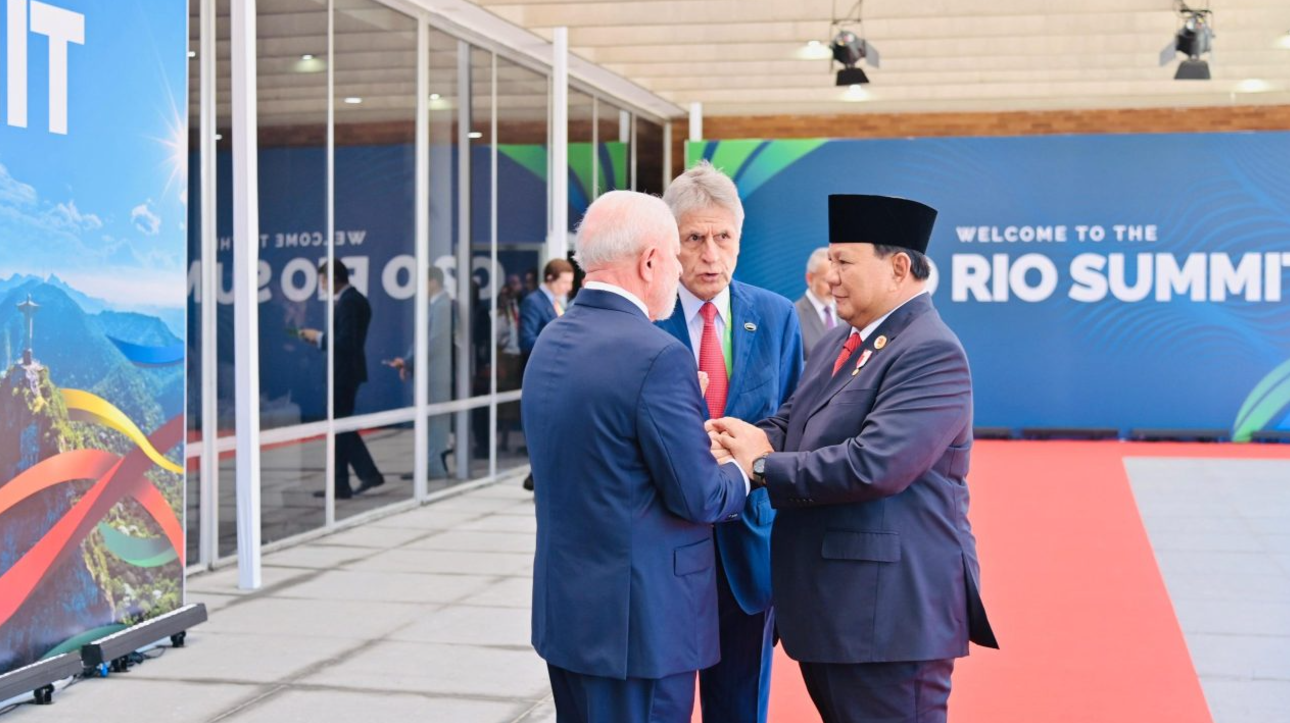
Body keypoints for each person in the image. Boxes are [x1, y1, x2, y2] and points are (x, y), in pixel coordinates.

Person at [710, 194, 998, 723]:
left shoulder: (930, 350)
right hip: (836, 615)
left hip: (889, 621)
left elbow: (875, 465)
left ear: (899, 268)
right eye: (830, 261)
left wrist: (760, 467)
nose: (830, 276)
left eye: (844, 262)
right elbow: (792, 421)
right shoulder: (843, 339)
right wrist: (736, 438)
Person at [524, 190, 750, 723]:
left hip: (570, 620)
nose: (680, 270)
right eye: (675, 256)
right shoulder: (658, 356)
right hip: (642, 631)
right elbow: (701, 496)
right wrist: (745, 465)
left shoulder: (552, 339)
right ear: (650, 262)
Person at [655, 161, 802, 723]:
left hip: (748, 552)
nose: (710, 254)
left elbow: (793, 420)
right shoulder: (646, 320)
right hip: (663, 551)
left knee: (741, 709)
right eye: (694, 239)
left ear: (740, 239)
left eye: (724, 237)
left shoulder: (776, 316)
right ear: (671, 242)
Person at [299, 259, 385, 499]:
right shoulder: (352, 300)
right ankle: (365, 474)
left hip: (344, 373)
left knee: (339, 427)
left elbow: (347, 342)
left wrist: (318, 337)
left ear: (335, 278)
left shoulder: (350, 302)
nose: (322, 286)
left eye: (323, 280)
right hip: (345, 372)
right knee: (341, 426)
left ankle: (343, 483)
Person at [387, 266, 454, 479]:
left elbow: (434, 342)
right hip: (428, 373)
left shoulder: (442, 306)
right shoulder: (434, 305)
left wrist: (409, 362)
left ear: (433, 281)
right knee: (430, 422)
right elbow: (423, 340)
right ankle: (431, 465)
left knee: (435, 423)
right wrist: (408, 362)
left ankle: (434, 467)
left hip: (435, 376)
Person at [518, 258, 574, 490]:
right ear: (550, 279)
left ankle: (538, 477)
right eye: (564, 282)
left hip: (557, 375)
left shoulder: (556, 303)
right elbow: (526, 339)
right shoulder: (533, 302)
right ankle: (538, 477)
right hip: (542, 375)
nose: (568, 288)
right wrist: (559, 347)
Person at [795, 247, 837, 360]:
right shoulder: (794, 315)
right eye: (827, 281)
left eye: (836, 280)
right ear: (809, 279)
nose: (833, 288)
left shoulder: (847, 313)